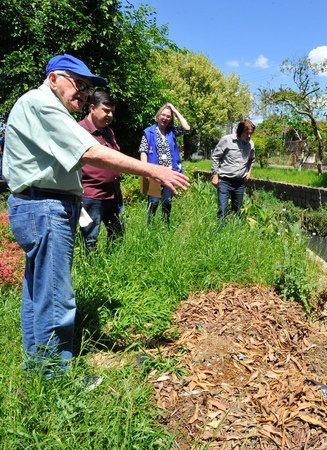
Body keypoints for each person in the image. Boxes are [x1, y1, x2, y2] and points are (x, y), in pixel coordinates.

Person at [2, 54, 189, 376]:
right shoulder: (41, 103)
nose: (85, 93)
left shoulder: (45, 106)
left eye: (89, 88)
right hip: (44, 207)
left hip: (41, 205)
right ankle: (54, 378)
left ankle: (39, 369)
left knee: (39, 293)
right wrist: (152, 169)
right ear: (54, 78)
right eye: (80, 84)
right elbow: (89, 152)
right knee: (56, 297)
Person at [79, 90, 124, 251]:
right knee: (90, 237)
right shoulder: (79, 131)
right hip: (91, 195)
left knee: (117, 232)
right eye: (106, 110)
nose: (110, 115)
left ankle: (113, 264)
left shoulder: (108, 131)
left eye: (112, 111)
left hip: (112, 193)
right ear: (92, 108)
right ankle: (91, 270)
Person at [138, 103, 190, 224]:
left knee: (167, 201)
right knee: (154, 202)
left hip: (170, 173)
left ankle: (165, 225)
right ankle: (149, 226)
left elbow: (186, 128)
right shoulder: (149, 132)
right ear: (158, 116)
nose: (165, 118)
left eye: (168, 116)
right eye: (163, 115)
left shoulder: (171, 132)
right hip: (154, 173)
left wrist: (175, 110)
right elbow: (143, 151)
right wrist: (144, 170)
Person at [211, 119, 256, 219]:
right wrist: (214, 175)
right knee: (222, 210)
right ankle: (220, 231)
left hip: (239, 183)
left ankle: (234, 231)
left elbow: (251, 159)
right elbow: (215, 157)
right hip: (224, 181)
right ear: (240, 131)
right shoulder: (227, 140)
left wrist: (249, 173)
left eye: (251, 133)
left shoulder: (251, 144)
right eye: (247, 133)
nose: (249, 136)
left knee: (237, 211)